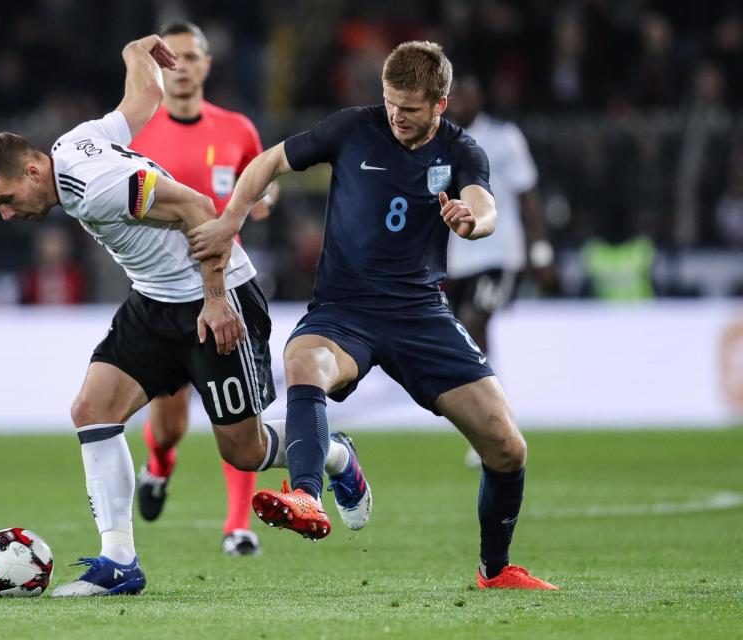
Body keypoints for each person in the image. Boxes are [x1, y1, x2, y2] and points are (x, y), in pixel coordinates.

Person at [0, 34, 364, 598]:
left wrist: (215, 298)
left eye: (5, 200)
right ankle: (120, 562)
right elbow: (140, 102)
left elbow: (198, 209)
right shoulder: (74, 143)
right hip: (154, 301)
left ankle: (335, 453)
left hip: (217, 299)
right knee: (92, 408)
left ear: (32, 170)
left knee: (243, 449)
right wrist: (135, 51)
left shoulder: (96, 186)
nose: (7, 215)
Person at [188, 41, 558, 590]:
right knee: (303, 362)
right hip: (344, 312)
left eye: (409, 108)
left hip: (420, 315)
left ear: (440, 103)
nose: (395, 116)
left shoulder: (462, 151)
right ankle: (307, 494)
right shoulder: (353, 128)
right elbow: (269, 161)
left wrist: (470, 221)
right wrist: (229, 220)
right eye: (389, 102)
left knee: (507, 446)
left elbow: (486, 205)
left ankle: (495, 570)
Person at [128, 20, 274, 557]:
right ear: (160, 68)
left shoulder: (237, 130)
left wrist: (263, 202)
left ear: (208, 64)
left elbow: (260, 192)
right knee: (169, 424)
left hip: (223, 286)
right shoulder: (139, 133)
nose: (183, 67)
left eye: (192, 57)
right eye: (173, 58)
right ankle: (160, 464)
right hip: (165, 295)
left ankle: (238, 526)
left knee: (234, 413)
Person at [442, 76, 555, 469]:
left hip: (498, 253)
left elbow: (527, 197)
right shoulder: (439, 140)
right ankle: (490, 421)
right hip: (459, 259)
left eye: (467, 95)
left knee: (475, 325)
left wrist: (540, 252)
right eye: (454, 96)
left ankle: (493, 428)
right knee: (465, 339)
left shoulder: (505, 138)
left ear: (480, 97)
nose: (460, 103)